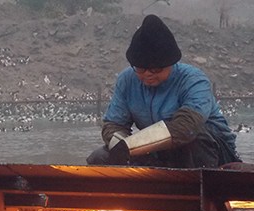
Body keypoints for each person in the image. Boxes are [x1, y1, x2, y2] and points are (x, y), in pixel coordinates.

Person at [86, 15, 240, 168]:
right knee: (100, 157)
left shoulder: (194, 80)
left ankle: (194, 190)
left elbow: (186, 127)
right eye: (140, 69)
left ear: (171, 64)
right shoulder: (127, 80)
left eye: (155, 69)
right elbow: (113, 124)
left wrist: (130, 146)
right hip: (154, 150)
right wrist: (120, 146)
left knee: (195, 140)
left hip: (211, 148)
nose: (147, 74)